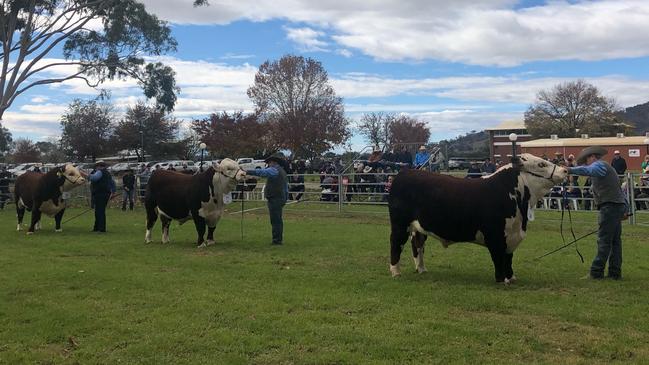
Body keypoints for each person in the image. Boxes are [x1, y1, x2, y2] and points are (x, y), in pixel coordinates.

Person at [568, 146, 627, 280]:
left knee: (604, 240)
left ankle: (596, 272)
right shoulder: (607, 167)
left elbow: (590, 170)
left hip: (609, 207)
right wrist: (625, 209)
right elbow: (619, 191)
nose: (586, 164)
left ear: (592, 157)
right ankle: (614, 273)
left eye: (586, 160)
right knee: (615, 242)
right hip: (616, 206)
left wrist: (569, 169)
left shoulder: (599, 165)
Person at [245, 153, 288, 245]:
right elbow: (286, 188)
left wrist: (248, 171)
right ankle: (277, 239)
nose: (268, 165)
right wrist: (285, 198)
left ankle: (277, 240)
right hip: (279, 197)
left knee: (275, 220)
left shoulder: (274, 170)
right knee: (277, 219)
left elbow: (263, 172)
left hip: (275, 198)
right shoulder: (282, 171)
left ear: (273, 162)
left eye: (268, 163)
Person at [89, 161, 116, 232]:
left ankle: (101, 229)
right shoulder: (107, 173)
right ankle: (96, 227)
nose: (96, 168)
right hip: (104, 194)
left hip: (100, 194)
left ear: (99, 166)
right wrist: (113, 192)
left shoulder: (100, 172)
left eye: (96, 166)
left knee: (100, 211)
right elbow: (112, 183)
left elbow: (94, 178)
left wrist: (85, 175)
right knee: (98, 211)